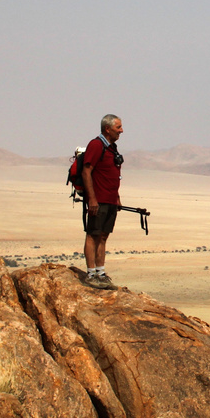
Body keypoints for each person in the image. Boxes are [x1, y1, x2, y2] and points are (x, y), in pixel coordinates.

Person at [79, 114, 124, 289]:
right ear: (108, 128)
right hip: (98, 200)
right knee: (93, 234)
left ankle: (101, 272)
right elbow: (86, 171)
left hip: (110, 200)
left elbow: (113, 175)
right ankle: (91, 275)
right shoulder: (96, 145)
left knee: (103, 236)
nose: (121, 131)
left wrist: (117, 198)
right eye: (118, 127)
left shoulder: (112, 148)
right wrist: (92, 198)